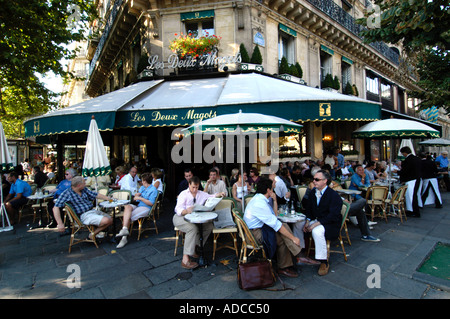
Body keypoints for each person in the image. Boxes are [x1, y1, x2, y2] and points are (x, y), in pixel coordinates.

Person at [244, 178, 302, 278]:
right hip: (254, 234)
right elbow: (276, 224)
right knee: (282, 229)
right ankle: (296, 258)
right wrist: (293, 238)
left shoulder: (260, 199)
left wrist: (275, 201)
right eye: (272, 187)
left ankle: (289, 263)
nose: (274, 189)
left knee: (282, 232)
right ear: (268, 190)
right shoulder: (260, 203)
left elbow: (274, 217)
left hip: (260, 229)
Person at [173, 176, 226, 269]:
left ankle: (195, 248)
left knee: (209, 225)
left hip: (195, 218)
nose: (195, 190)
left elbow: (212, 196)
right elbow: (178, 209)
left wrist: (220, 194)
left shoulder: (201, 193)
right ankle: (185, 259)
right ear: (189, 185)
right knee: (192, 229)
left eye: (197, 187)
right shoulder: (183, 194)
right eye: (193, 187)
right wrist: (186, 211)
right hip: (181, 217)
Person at [301, 170, 343, 276]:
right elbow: (309, 210)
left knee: (316, 231)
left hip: (331, 223)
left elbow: (333, 216)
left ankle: (324, 261)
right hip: (317, 219)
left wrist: (316, 223)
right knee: (299, 225)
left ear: (325, 181)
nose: (314, 181)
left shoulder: (333, 195)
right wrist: (307, 221)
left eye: (317, 179)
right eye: (313, 179)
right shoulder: (313, 193)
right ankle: (299, 252)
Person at [115, 173, 159, 248]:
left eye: (142, 180)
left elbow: (151, 203)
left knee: (128, 216)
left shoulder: (153, 190)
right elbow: (137, 195)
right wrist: (137, 195)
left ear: (144, 181)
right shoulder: (142, 188)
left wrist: (140, 198)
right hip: (138, 206)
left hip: (146, 208)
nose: (141, 182)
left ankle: (124, 238)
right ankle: (125, 229)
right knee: (128, 207)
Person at [399, 146, 422, 217]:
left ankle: (413, 211)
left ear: (405, 153)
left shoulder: (408, 160)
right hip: (417, 178)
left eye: (403, 154)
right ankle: (414, 210)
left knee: (411, 196)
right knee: (414, 195)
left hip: (411, 179)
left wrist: (398, 172)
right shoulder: (417, 158)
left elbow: (406, 171)